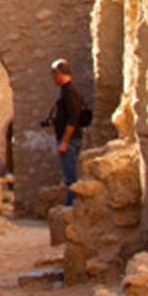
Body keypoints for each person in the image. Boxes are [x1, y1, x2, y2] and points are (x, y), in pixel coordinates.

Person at [46, 59, 91, 196]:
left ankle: (71, 209)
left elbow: (73, 118)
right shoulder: (66, 91)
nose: (53, 78)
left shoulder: (69, 92)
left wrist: (64, 142)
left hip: (70, 141)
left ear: (59, 74)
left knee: (70, 179)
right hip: (70, 139)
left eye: (54, 74)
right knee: (70, 177)